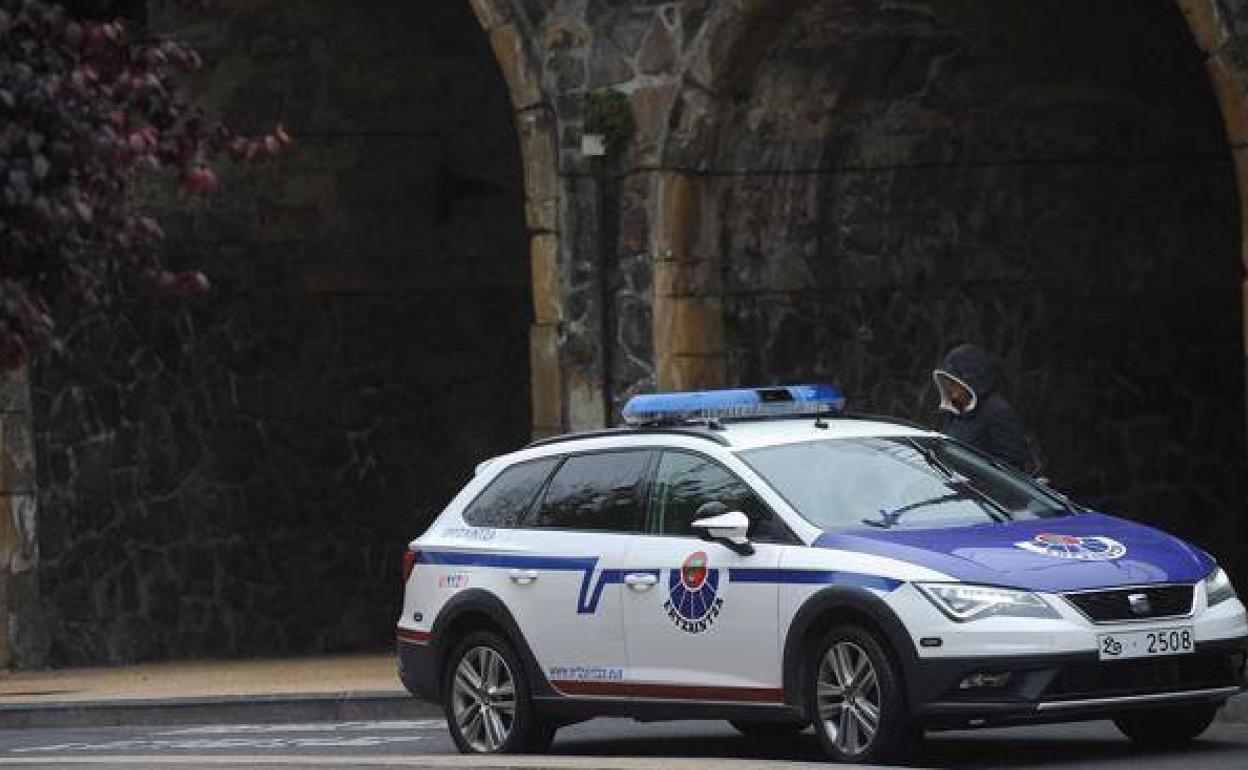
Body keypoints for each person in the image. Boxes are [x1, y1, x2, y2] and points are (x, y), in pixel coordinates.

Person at [932, 343, 1039, 473]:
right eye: (949, 384)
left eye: (955, 384)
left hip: (980, 490)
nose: (951, 391)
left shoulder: (999, 413)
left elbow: (1011, 467)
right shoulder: (955, 412)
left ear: (971, 381)